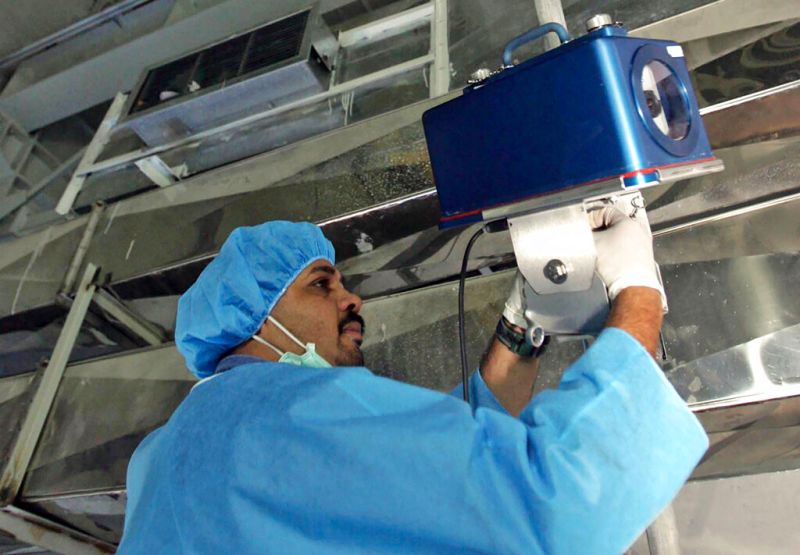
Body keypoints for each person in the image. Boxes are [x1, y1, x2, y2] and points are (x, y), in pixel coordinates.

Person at [118, 203, 708, 554]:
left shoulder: (163, 455)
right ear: (256, 317)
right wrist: (638, 291)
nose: (352, 300)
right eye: (321, 284)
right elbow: (553, 506)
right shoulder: (287, 413)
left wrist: (522, 327)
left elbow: (443, 465)